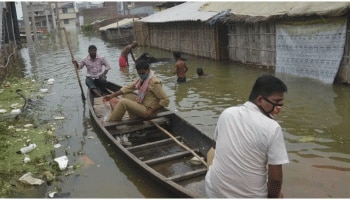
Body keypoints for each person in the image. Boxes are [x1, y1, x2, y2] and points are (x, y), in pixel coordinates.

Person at [205, 74, 289, 198]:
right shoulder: (272, 128)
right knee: (279, 195)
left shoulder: (227, 113)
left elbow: (215, 145)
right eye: (276, 102)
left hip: (213, 192)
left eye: (281, 103)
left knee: (212, 155)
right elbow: (275, 180)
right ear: (260, 100)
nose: (279, 107)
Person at [103, 60, 169, 121]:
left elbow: (165, 100)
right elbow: (127, 88)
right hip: (142, 104)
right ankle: (135, 117)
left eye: (143, 73)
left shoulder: (154, 83)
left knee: (123, 102)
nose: (141, 75)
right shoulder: (142, 80)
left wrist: (151, 111)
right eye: (139, 74)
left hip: (148, 111)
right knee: (126, 94)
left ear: (148, 70)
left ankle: (112, 122)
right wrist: (111, 96)